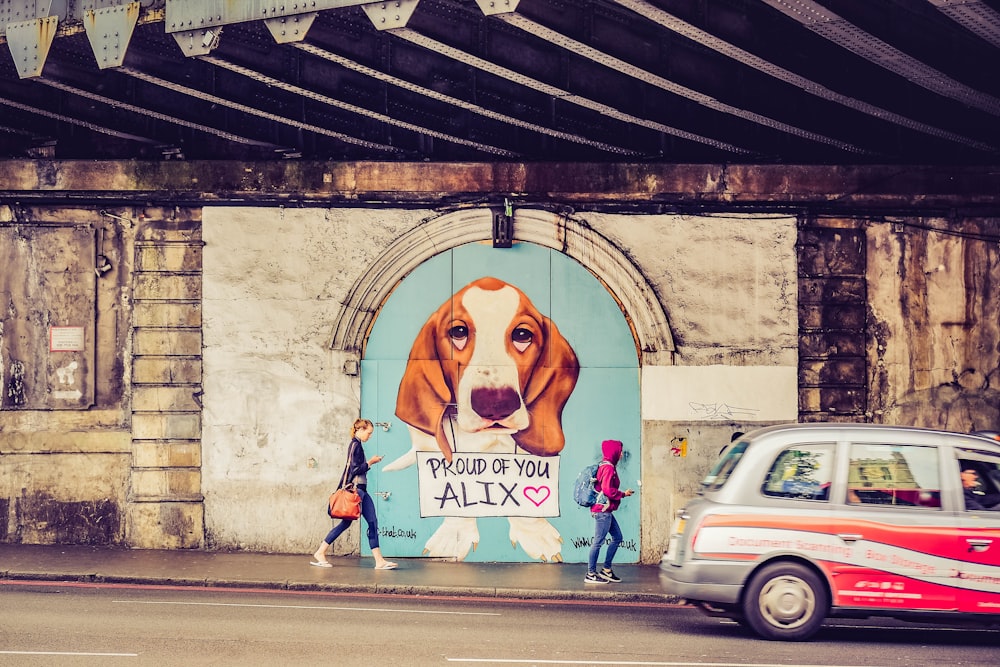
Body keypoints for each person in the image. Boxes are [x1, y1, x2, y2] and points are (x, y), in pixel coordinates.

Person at [312, 418, 398, 569]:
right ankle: (320, 552)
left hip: (362, 491)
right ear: (360, 429)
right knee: (350, 523)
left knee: (372, 522)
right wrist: (370, 462)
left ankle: (379, 561)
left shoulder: (357, 445)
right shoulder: (355, 445)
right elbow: (354, 470)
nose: (369, 436)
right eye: (369, 433)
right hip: (357, 491)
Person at [585, 439, 634, 584]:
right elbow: (607, 489)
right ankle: (590, 574)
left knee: (617, 537)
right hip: (602, 511)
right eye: (619, 451)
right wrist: (623, 494)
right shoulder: (608, 468)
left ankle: (606, 570)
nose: (620, 455)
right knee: (598, 542)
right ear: (613, 452)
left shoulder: (605, 465)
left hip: (605, 510)